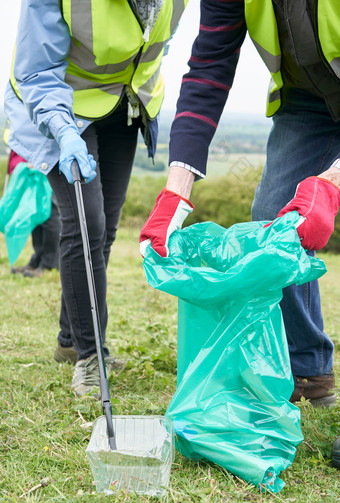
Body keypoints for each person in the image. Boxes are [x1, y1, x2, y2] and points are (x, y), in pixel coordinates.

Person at [140, 0, 340, 410]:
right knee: (274, 222)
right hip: (306, 100)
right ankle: (307, 366)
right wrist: (175, 193)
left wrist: (332, 183)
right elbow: (209, 68)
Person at [6, 0, 188, 396]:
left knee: (103, 228)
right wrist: (63, 129)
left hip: (123, 105)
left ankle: (70, 342)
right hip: (58, 104)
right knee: (86, 223)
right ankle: (91, 357)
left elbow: (158, 43)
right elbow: (37, 70)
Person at [7, 150, 61, 278]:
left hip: (49, 162)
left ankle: (49, 263)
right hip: (36, 162)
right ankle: (37, 260)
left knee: (50, 212)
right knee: (36, 211)